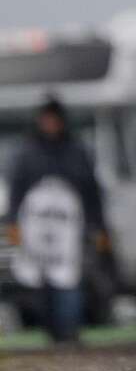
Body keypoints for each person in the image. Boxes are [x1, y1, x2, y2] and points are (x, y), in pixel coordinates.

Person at [3, 99, 107, 344]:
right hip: (37, 231)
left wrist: (98, 226)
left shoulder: (76, 151)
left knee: (70, 278)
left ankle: (69, 330)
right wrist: (12, 223)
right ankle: (51, 331)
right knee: (41, 283)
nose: (50, 124)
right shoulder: (27, 153)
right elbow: (16, 190)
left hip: (71, 230)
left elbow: (91, 192)